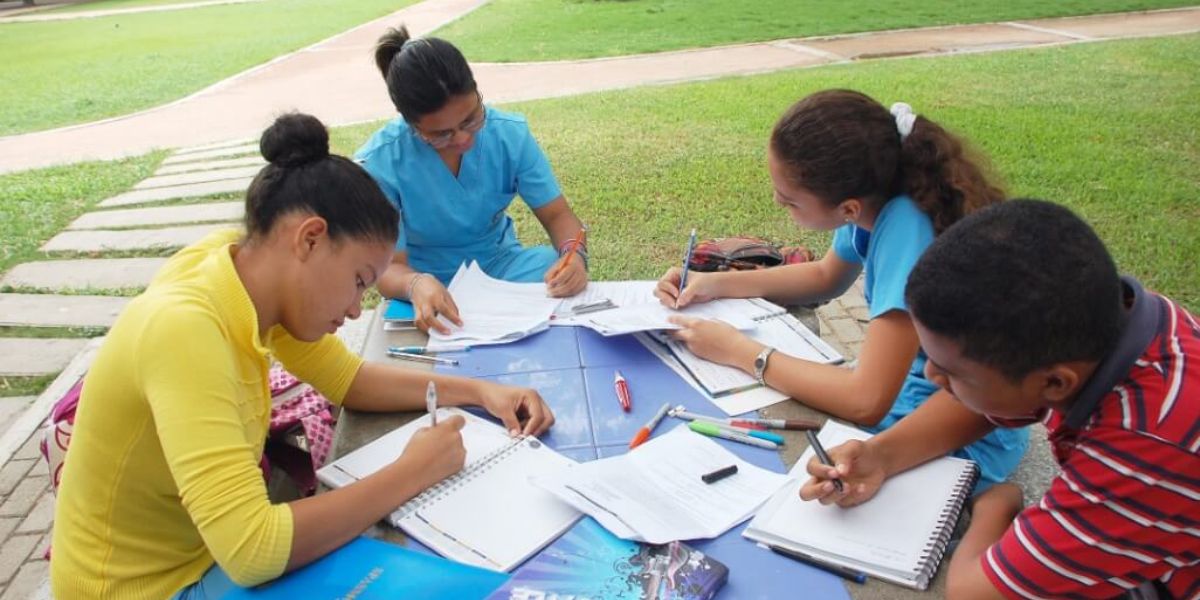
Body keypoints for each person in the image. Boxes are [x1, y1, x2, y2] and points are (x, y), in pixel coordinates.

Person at [50, 113, 556, 600]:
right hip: (151, 588)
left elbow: (349, 381)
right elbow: (253, 550)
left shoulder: (249, 270)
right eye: (359, 281)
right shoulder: (186, 328)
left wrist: (480, 391)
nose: (358, 311)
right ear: (310, 239)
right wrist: (415, 472)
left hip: (201, 556)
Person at [800, 200, 1199, 599]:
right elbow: (985, 404)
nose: (929, 376)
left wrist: (998, 504)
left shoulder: (1143, 449)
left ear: (1056, 384)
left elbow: (976, 593)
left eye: (952, 373)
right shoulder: (1119, 322)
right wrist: (879, 456)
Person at [654, 89, 1026, 490]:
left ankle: (993, 505)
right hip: (915, 395)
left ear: (848, 208)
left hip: (954, 429)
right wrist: (715, 284)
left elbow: (866, 400)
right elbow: (825, 276)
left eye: (790, 202)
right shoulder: (878, 195)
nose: (780, 206)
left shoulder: (906, 229)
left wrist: (741, 352)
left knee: (784, 472)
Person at [356, 25, 589, 334]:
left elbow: (559, 216)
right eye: (441, 135)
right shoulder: (380, 164)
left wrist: (574, 257)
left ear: (477, 91)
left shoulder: (509, 135)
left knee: (549, 265)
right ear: (410, 123)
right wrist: (415, 283)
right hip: (427, 284)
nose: (463, 139)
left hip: (500, 269)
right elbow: (390, 268)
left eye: (471, 119)